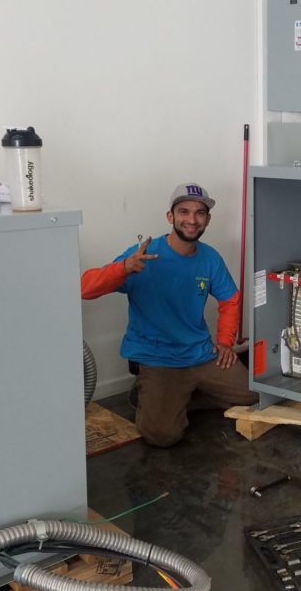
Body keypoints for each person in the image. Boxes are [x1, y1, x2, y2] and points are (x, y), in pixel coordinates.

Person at [81, 182, 257, 447]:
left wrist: (224, 341)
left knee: (253, 395)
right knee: (162, 436)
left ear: (207, 220)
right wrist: (124, 268)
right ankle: (150, 397)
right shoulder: (142, 256)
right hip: (158, 359)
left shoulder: (210, 258)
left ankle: (182, 398)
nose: (192, 219)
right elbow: (85, 288)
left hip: (201, 354)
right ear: (170, 216)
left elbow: (230, 300)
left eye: (199, 213)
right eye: (184, 212)